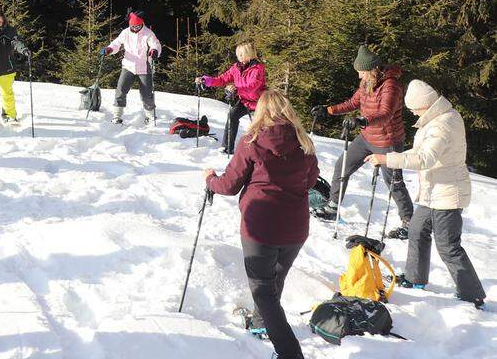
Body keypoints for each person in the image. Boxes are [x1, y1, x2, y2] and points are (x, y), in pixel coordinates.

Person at [206, 90, 319, 359]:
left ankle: (289, 353)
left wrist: (210, 179)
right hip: (295, 228)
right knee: (274, 281)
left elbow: (230, 184)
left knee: (263, 291)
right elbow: (311, 180)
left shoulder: (252, 141)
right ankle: (261, 324)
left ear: (261, 112)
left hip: (260, 227)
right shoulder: (304, 143)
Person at [365, 80, 486, 309]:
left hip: (448, 192)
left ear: (425, 104)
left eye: (413, 108)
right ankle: (414, 278)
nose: (411, 112)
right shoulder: (437, 119)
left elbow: (425, 159)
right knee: (417, 230)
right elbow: (420, 152)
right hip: (433, 191)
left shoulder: (442, 124)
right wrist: (394, 155)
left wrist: (387, 159)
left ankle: (472, 295)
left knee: (448, 245)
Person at [310, 45, 413, 238]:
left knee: (394, 182)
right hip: (367, 137)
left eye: (361, 72)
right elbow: (353, 102)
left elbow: (386, 114)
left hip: (387, 141)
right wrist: (329, 110)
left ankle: (409, 223)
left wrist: (363, 120)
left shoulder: (390, 85)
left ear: (372, 70)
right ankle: (333, 206)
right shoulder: (367, 83)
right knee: (343, 166)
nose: (359, 76)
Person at [196, 41, 267, 155]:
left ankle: (264, 150)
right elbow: (222, 79)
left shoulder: (258, 69)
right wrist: (206, 80)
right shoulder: (236, 68)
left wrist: (236, 89)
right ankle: (227, 147)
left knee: (260, 126)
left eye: (241, 54)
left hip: (259, 101)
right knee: (232, 115)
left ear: (249, 53)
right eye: (238, 54)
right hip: (244, 101)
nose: (239, 57)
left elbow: (252, 87)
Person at [102, 8, 162, 126]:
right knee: (121, 90)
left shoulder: (148, 33)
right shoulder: (125, 32)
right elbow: (116, 43)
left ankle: (150, 116)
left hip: (144, 67)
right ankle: (117, 116)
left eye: (137, 26)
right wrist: (109, 49)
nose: (134, 28)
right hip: (128, 66)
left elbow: (156, 44)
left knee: (146, 94)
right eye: (132, 26)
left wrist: (154, 50)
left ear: (141, 24)